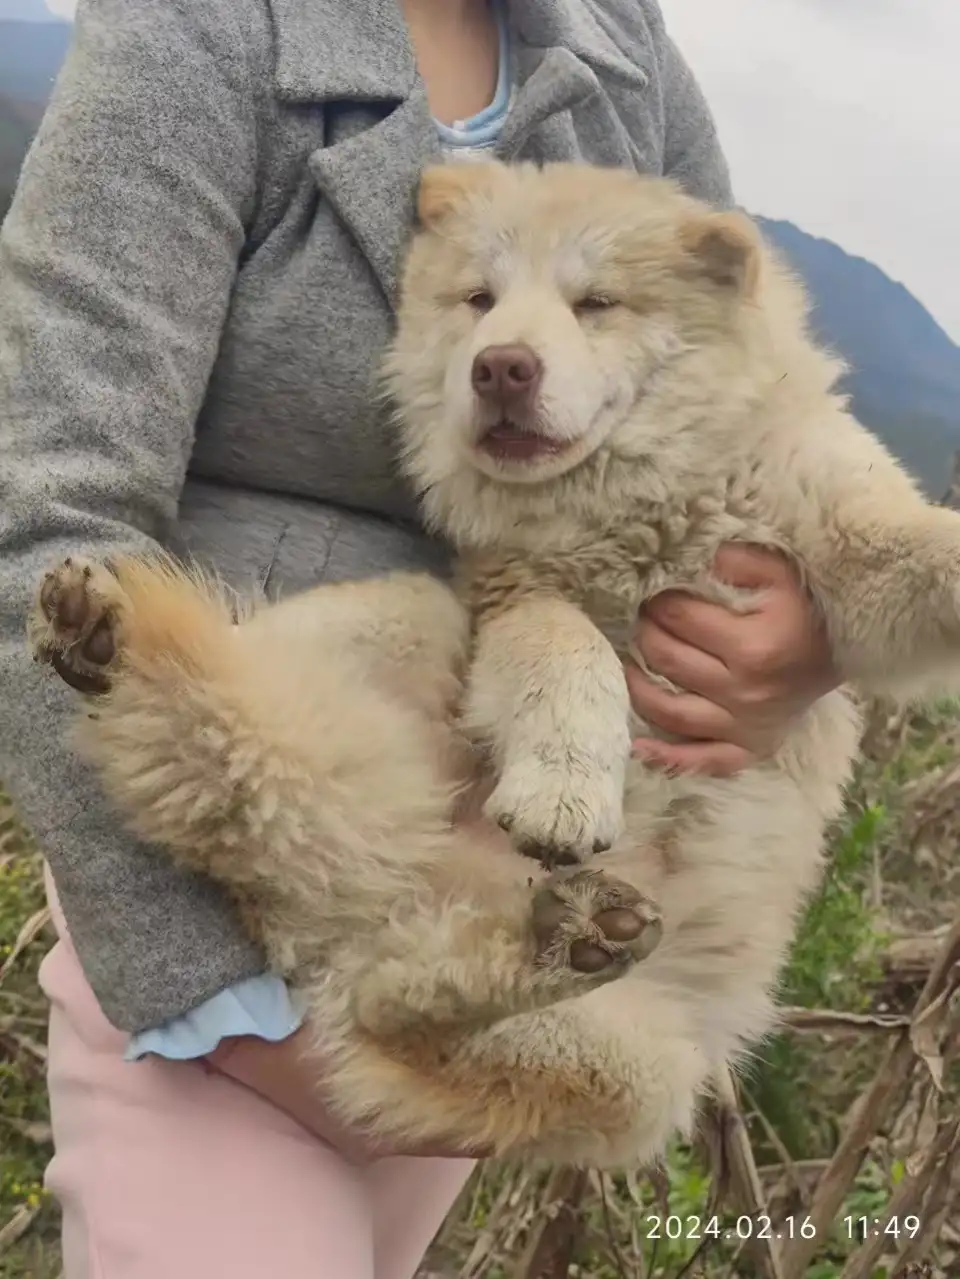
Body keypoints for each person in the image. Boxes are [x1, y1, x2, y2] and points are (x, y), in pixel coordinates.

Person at [0, 0, 837, 1274]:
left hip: (520, 897)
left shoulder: (619, 55)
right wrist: (208, 998)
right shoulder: (197, 33)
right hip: (255, 844)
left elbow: (751, 401)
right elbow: (47, 521)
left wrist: (802, 638)